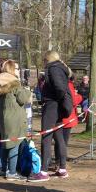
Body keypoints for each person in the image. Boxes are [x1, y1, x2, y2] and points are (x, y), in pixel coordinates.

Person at [30, 51, 72, 182]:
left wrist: (56, 100)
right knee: (59, 137)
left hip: (52, 106)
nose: (43, 62)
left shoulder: (53, 69)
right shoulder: (61, 68)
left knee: (46, 138)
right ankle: (62, 169)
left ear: (48, 59)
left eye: (44, 59)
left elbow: (60, 88)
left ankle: (43, 171)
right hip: (56, 106)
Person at [0, 60, 33, 180]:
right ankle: (12, 173)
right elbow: (22, 99)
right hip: (14, 118)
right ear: (12, 69)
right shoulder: (14, 83)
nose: (18, 71)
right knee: (14, 145)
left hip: (3, 117)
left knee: (5, 145)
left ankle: (4, 170)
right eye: (16, 69)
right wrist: (27, 90)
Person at [54, 76, 84, 179]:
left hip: (58, 117)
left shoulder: (56, 83)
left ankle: (58, 163)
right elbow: (73, 100)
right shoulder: (68, 85)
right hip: (67, 118)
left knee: (58, 141)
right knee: (63, 142)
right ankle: (61, 165)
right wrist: (79, 96)